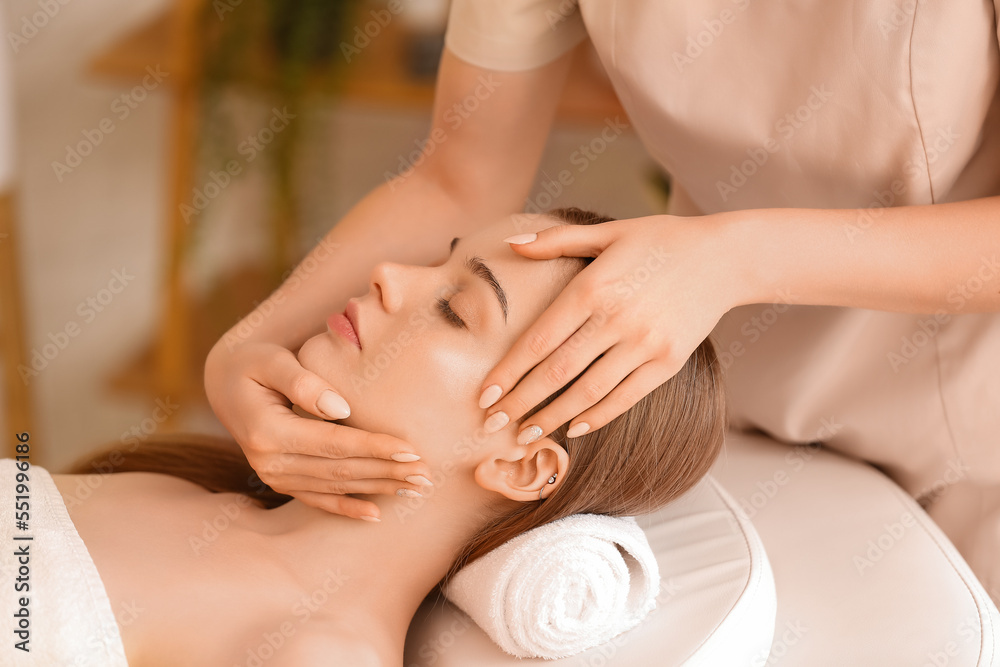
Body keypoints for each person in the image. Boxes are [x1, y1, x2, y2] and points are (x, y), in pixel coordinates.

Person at [204, 2, 1000, 597]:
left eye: (457, 307)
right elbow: (459, 178)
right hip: (720, 392)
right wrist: (245, 346)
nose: (386, 281)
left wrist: (737, 257)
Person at [10, 210, 726, 666]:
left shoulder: (316, 653)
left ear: (521, 462)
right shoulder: (173, 484)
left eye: (454, 307)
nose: (389, 276)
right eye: (441, 258)